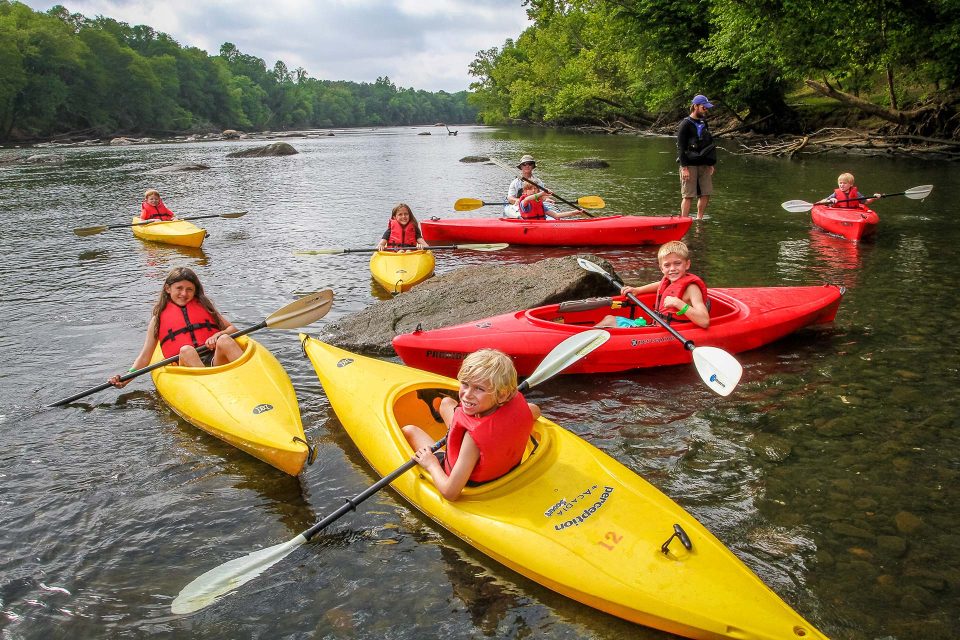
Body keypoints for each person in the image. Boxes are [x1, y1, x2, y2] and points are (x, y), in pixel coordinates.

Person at [402, 349, 541, 501]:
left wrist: (431, 464)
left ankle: (437, 453)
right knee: (446, 403)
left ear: (502, 395)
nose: (467, 394)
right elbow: (535, 411)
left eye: (479, 388)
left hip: (469, 477)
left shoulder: (472, 440)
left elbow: (450, 493)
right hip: (503, 466)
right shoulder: (518, 407)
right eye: (465, 384)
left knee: (409, 430)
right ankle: (454, 430)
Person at [109, 267, 243, 387]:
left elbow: (233, 329)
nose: (184, 293)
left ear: (195, 291)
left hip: (215, 359)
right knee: (186, 350)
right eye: (179, 288)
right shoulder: (157, 320)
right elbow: (145, 357)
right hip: (186, 367)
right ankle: (213, 388)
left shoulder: (205, 308)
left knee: (225, 339)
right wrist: (126, 378)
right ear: (168, 289)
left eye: (189, 289)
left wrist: (217, 335)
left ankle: (250, 377)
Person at [595, 240, 710, 329]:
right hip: (656, 326)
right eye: (667, 265)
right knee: (609, 318)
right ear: (661, 268)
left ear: (687, 264)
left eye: (677, 263)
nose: (672, 269)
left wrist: (678, 303)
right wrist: (638, 290)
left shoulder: (692, 289)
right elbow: (660, 284)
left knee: (609, 322)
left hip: (668, 332)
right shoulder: (670, 280)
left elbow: (704, 321)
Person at [677, 95, 718, 220]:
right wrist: (684, 168)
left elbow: (708, 143)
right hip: (689, 164)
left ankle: (699, 219)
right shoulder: (685, 124)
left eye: (706, 108)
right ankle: (684, 220)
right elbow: (680, 147)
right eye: (703, 107)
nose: (706, 110)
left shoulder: (704, 122)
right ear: (695, 106)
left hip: (704, 164)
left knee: (705, 193)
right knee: (688, 195)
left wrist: (710, 164)